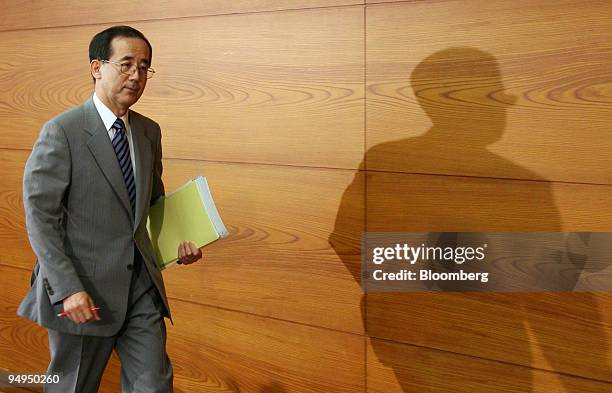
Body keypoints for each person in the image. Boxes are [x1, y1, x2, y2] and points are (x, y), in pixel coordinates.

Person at [17, 25, 201, 393]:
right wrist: (68, 289)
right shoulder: (62, 131)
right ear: (97, 67)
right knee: (73, 386)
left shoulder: (149, 131)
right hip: (83, 291)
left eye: (145, 66)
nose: (136, 75)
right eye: (127, 64)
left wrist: (182, 239)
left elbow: (152, 203)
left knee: (154, 386)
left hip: (141, 290)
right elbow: (40, 217)